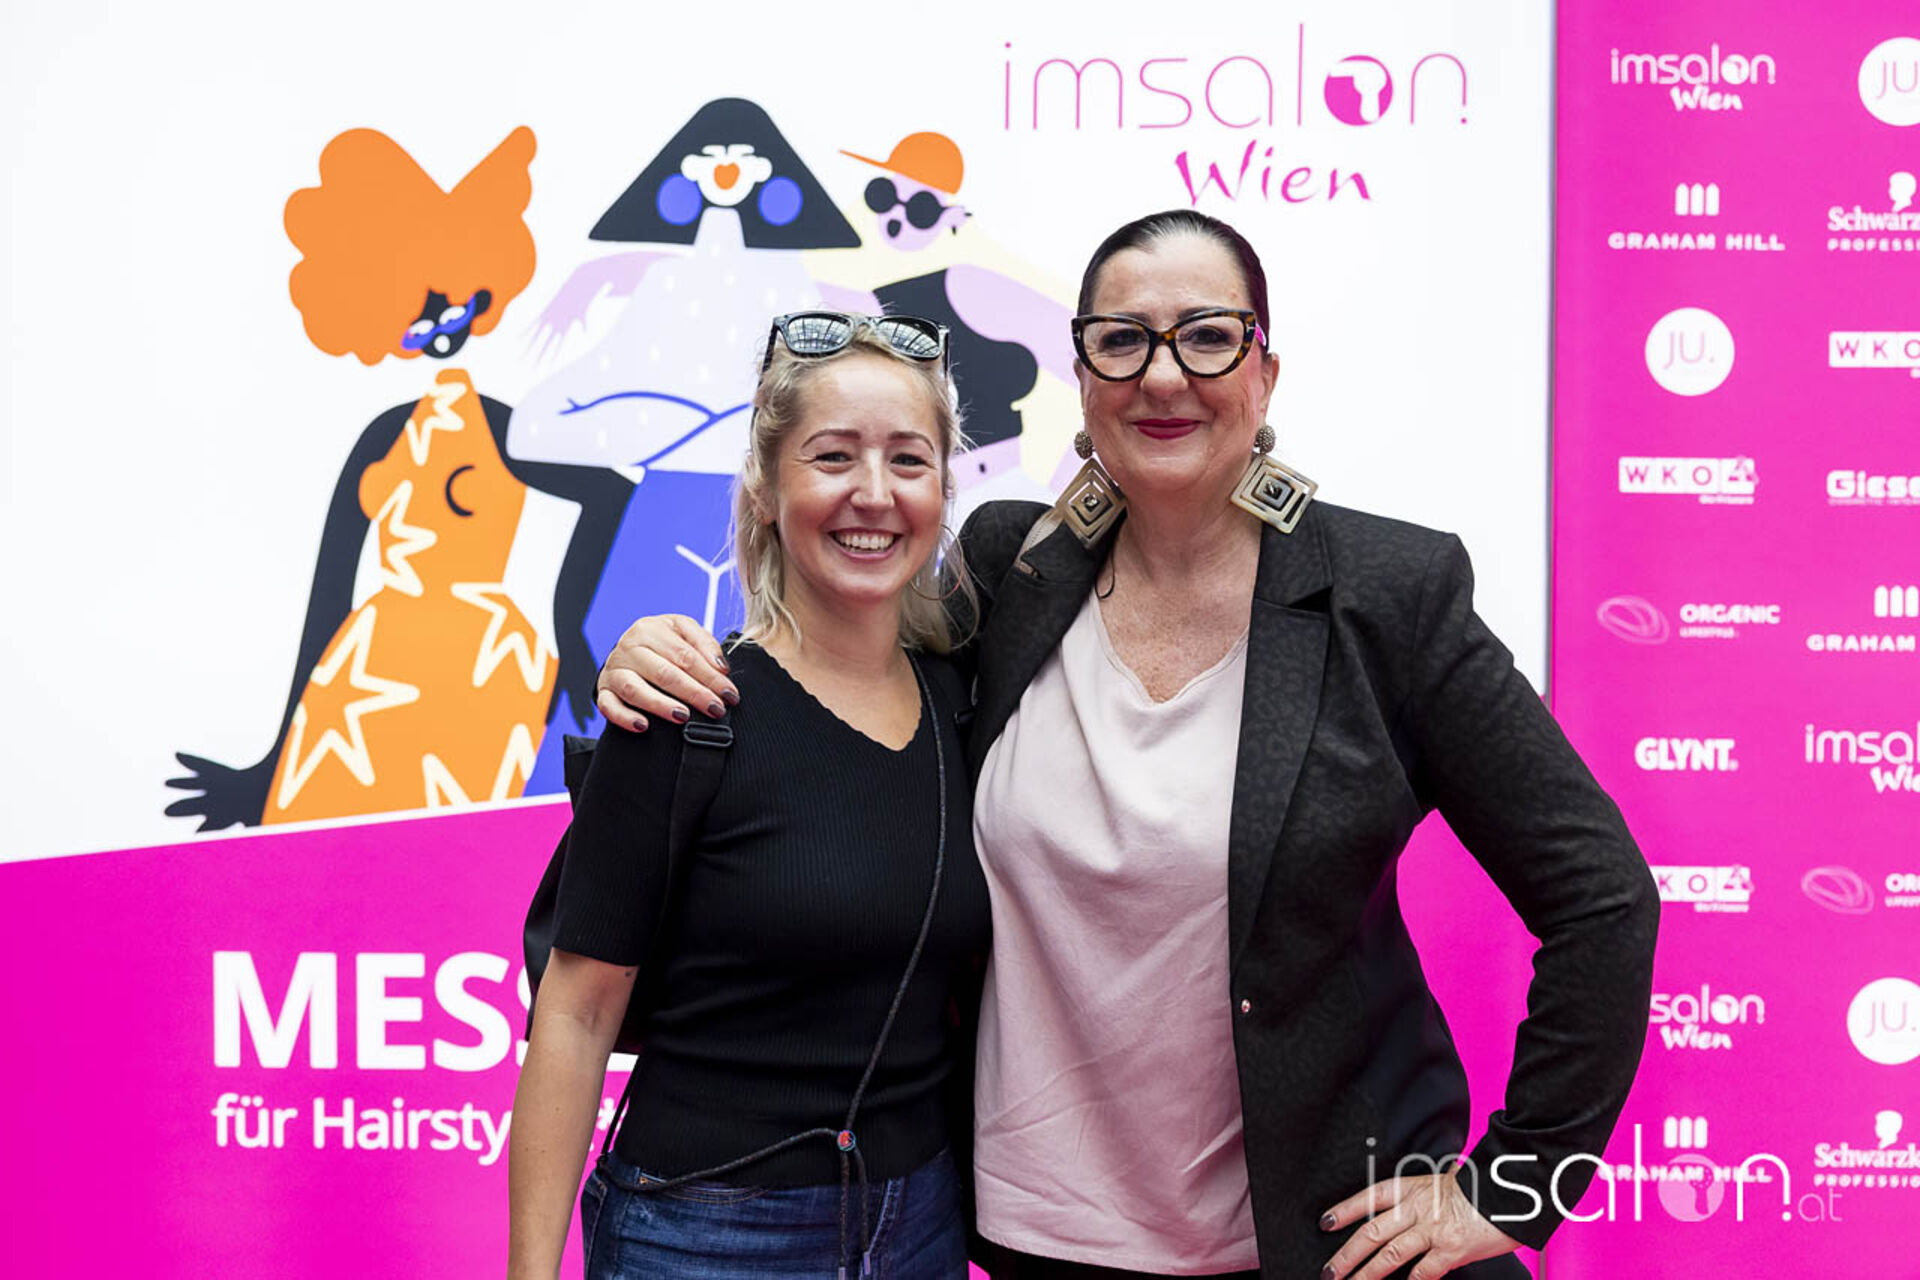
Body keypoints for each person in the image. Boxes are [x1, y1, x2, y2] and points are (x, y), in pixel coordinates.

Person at [593, 211, 1660, 1280]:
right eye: (1123, 340)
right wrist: (665, 653)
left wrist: (1517, 1183)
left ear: (1265, 373)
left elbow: (1602, 894)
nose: (1163, 375)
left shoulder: (1386, 599)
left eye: (1208, 337)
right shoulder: (1011, 569)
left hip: (1316, 1244)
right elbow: (842, 671)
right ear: (1083, 377)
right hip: (1034, 1241)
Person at [508, 313, 991, 1280]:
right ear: (766, 491)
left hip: (921, 1231)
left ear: (943, 490)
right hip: (702, 1235)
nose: (874, 493)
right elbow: (576, 1015)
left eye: (908, 459)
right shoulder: (684, 710)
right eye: (832, 456)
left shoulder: (971, 702)